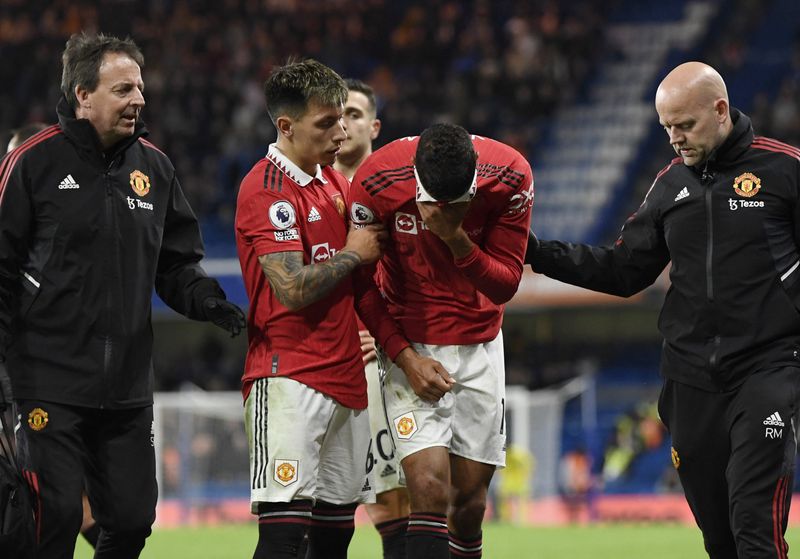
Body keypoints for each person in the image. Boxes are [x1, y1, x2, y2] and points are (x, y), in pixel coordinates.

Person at [526, 61, 800, 558]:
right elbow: (623, 270)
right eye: (666, 127)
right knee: (719, 539)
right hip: (689, 378)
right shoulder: (669, 186)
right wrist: (535, 251)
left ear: (720, 110)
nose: (675, 138)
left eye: (685, 125)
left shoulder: (785, 170)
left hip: (768, 369)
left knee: (753, 524)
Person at [0, 32, 246, 559]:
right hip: (47, 379)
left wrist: (205, 299)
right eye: (123, 89)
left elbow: (176, 265)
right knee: (56, 515)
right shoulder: (32, 164)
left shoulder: (154, 169)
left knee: (133, 521)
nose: (139, 99)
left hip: (127, 386)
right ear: (82, 95)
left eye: (140, 87)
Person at [234, 59, 446, 559]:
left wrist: (409, 358)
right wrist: (354, 252)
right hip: (288, 378)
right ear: (285, 126)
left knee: (336, 535)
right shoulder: (266, 189)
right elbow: (290, 288)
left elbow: (363, 291)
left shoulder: (334, 184)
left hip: (349, 379)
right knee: (285, 535)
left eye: (343, 119)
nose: (340, 132)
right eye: (326, 122)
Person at [349, 123, 534, 558]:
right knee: (429, 489)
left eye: (460, 202)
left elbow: (505, 285)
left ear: (475, 178)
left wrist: (454, 235)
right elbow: (360, 284)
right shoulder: (376, 180)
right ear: (417, 178)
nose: (446, 208)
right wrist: (405, 357)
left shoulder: (511, 175)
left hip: (481, 344)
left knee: (468, 506)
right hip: (410, 343)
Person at [333, 79, 410, 559]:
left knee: (395, 497)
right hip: (328, 356)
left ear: (375, 126)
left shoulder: (396, 191)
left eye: (355, 114)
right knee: (323, 496)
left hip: (386, 354)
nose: (343, 123)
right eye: (335, 114)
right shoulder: (313, 191)